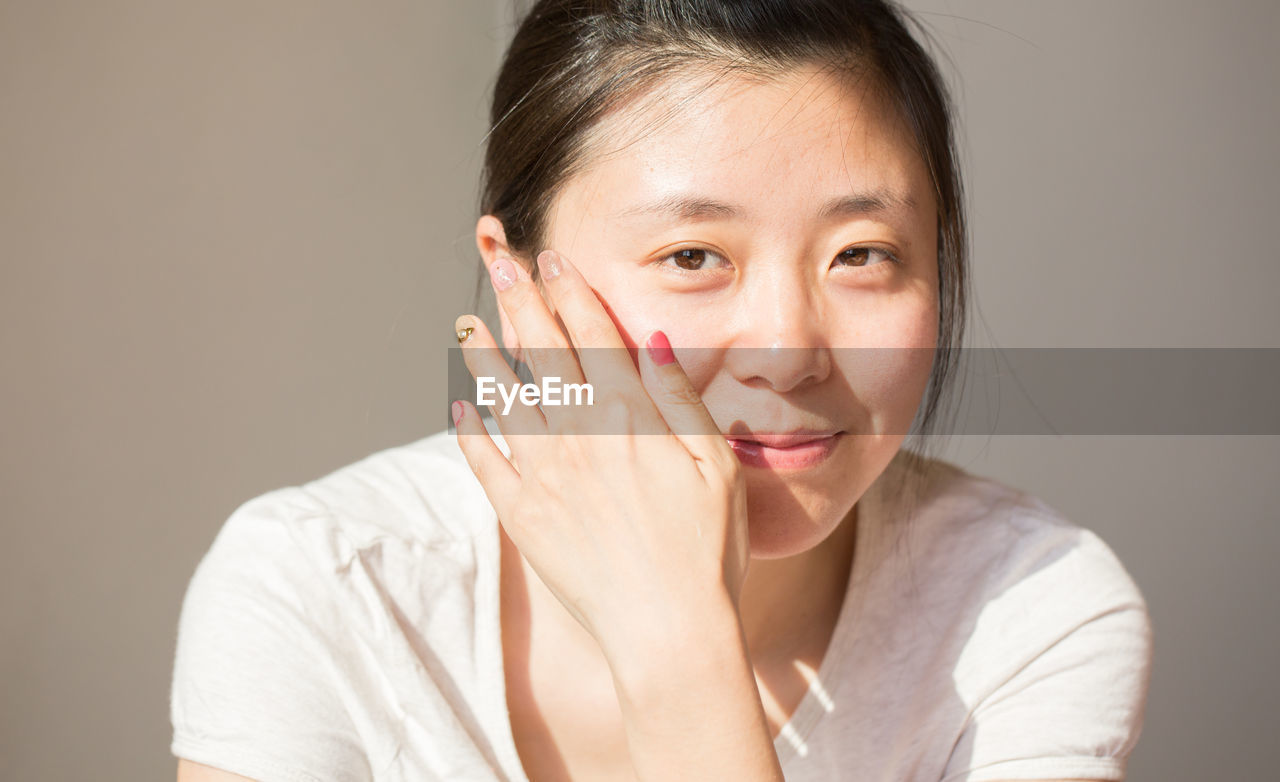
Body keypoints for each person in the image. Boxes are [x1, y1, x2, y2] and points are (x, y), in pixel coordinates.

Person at [171, 1, 1152, 780]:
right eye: (692, 254)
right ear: (513, 280)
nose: (787, 349)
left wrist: (677, 650)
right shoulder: (326, 588)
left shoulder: (1022, 609)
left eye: (860, 253)